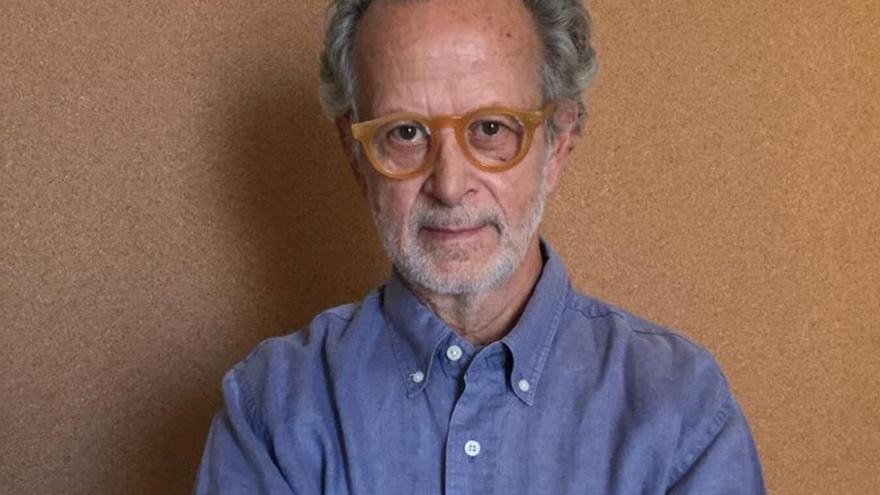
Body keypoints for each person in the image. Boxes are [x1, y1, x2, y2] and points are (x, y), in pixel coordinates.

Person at [193, 0, 766, 493]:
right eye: (406, 132)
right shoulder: (271, 411)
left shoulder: (680, 409)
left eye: (492, 129)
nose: (449, 184)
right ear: (354, 154)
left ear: (558, 145)